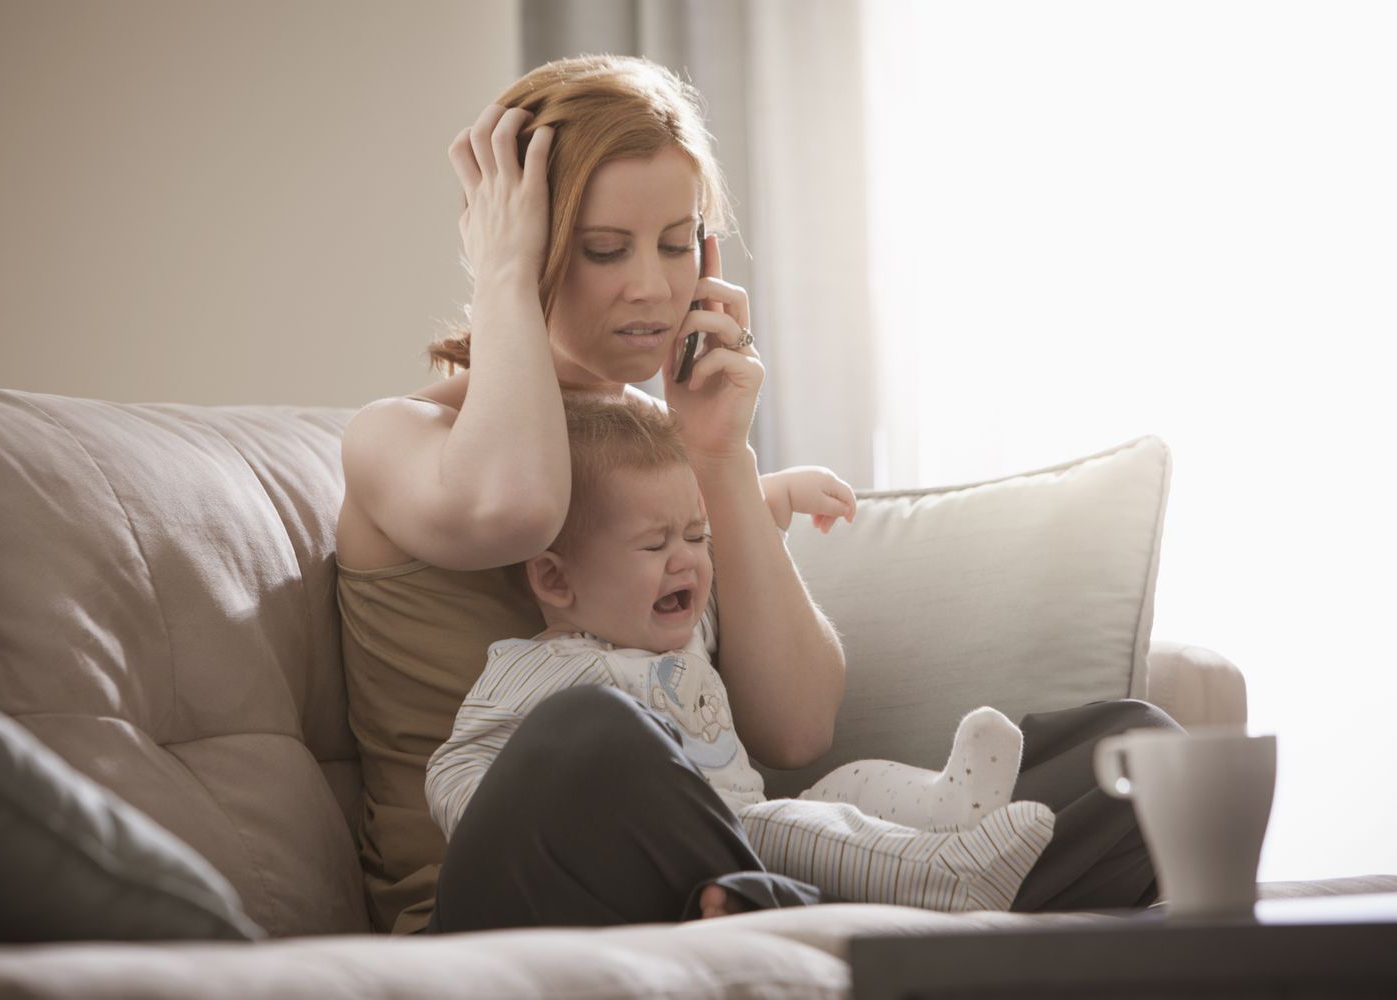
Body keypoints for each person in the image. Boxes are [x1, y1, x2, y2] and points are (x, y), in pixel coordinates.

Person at [335, 53, 1180, 936]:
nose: (653, 288)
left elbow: (796, 731)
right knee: (589, 732)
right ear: (523, 235)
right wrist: (502, 276)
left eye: (675, 243)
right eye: (603, 249)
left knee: (1135, 756)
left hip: (720, 851)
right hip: (498, 904)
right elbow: (520, 508)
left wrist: (718, 455)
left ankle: (819, 909)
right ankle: (825, 906)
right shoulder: (398, 439)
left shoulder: (667, 447)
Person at [426, 395, 1056, 916]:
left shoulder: (689, 628)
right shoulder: (539, 667)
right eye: (654, 546)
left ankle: (954, 811)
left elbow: (743, 539)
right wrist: (507, 811)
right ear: (557, 582)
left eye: (696, 536)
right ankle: (945, 878)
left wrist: (777, 495)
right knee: (776, 824)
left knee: (844, 786)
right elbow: (456, 764)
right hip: (725, 837)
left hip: (760, 822)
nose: (689, 559)